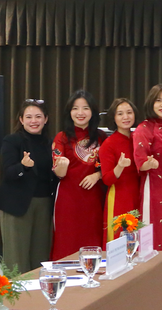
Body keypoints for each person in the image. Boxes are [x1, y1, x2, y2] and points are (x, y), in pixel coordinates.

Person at [51, 90, 106, 260]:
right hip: (69, 199)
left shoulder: (102, 136)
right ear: (69, 112)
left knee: (92, 239)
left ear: (93, 112)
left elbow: (108, 167)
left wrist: (97, 176)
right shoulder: (61, 137)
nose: (80, 113)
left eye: (85, 108)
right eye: (75, 108)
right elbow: (58, 173)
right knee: (67, 240)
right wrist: (62, 166)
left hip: (94, 198)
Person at [0, 99, 54, 272]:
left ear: (45, 119)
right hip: (17, 206)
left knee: (40, 258)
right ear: (21, 120)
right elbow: (8, 172)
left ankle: (38, 298)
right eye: (29, 117)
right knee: (17, 260)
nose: (34, 121)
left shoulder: (50, 143)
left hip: (44, 205)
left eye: (38, 116)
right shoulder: (12, 141)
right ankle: (15, 298)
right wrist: (23, 166)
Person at [133, 84, 162, 251]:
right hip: (153, 187)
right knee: (154, 233)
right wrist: (148, 164)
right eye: (159, 100)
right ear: (151, 102)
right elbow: (140, 162)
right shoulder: (143, 128)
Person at [99, 98, 140, 244]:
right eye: (120, 113)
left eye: (129, 112)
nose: (126, 117)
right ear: (113, 118)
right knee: (120, 242)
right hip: (120, 198)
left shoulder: (139, 138)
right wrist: (120, 166)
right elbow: (107, 179)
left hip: (139, 195)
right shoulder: (109, 144)